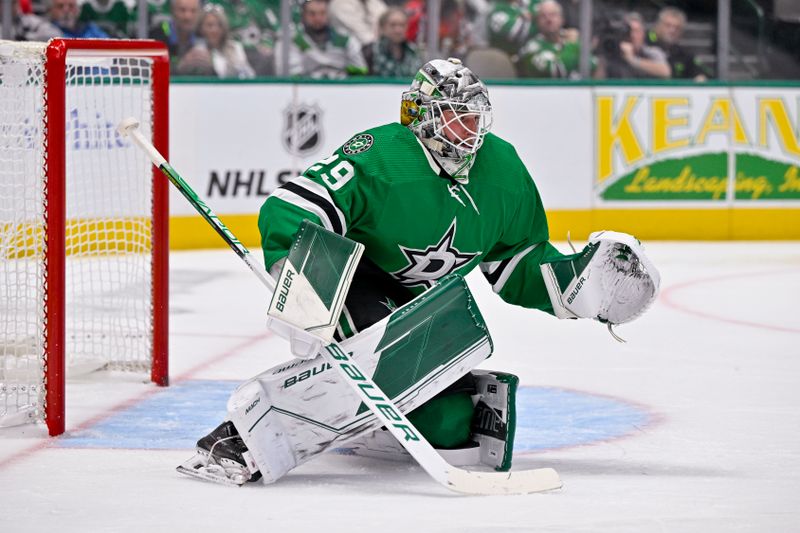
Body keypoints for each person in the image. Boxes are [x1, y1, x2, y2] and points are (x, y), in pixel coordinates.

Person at [183, 58, 660, 485]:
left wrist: (573, 286)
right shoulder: (381, 154)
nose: (469, 126)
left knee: (453, 424)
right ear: (421, 115)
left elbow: (516, 262)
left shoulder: (506, 170)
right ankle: (239, 439)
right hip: (357, 280)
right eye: (455, 112)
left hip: (422, 304)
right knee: (386, 357)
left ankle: (378, 420)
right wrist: (305, 283)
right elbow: (292, 209)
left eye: (474, 114)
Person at [275, 0, 367, 79]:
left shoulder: (346, 39)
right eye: (312, 14)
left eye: (322, 13)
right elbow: (292, 76)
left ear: (328, 14)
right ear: (303, 15)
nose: (317, 18)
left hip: (341, 90)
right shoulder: (294, 40)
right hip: (307, 92)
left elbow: (360, 71)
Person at [516, 0, 594, 78]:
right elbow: (558, 71)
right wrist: (573, 45)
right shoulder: (531, 49)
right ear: (537, 22)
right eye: (543, 16)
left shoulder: (569, 39)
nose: (549, 20)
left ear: (562, 19)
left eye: (553, 15)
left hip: (579, 89)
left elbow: (592, 65)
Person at [176, 5, 256, 79]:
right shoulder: (192, 49)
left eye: (219, 25)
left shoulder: (234, 48)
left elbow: (249, 75)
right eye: (209, 25)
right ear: (200, 28)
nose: (215, 30)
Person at [599, 11, 670, 79]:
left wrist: (632, 59)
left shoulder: (652, 52)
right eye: (629, 31)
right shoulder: (612, 54)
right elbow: (597, 83)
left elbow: (665, 72)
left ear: (643, 33)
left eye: (636, 31)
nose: (632, 35)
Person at [647, 6, 709, 81]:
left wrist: (701, 76)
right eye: (668, 25)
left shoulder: (684, 55)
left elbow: (701, 72)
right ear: (658, 26)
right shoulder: (645, 44)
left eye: (677, 28)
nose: (672, 30)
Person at [362, 7, 420, 77]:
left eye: (402, 25)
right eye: (393, 25)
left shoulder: (414, 52)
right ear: (382, 27)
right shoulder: (370, 51)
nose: (398, 30)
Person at [148, 0, 202, 70]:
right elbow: (152, 71)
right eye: (182, 10)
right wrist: (179, 67)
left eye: (193, 11)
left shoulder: (204, 35)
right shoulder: (156, 37)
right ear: (172, 11)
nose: (187, 16)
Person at [45, 0, 109, 38]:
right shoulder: (46, 30)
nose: (66, 10)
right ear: (51, 10)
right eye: (60, 6)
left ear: (78, 9)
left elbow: (107, 42)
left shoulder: (89, 28)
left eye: (71, 6)